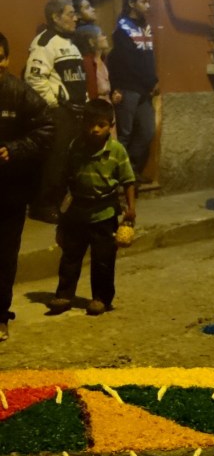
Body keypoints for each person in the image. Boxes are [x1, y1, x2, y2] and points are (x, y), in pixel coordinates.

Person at [47, 99, 136, 317]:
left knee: (103, 260)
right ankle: (64, 294)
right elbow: (67, 176)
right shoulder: (76, 146)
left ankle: (101, 298)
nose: (94, 129)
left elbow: (128, 180)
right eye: (89, 124)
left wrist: (131, 209)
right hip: (77, 211)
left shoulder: (116, 151)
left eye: (100, 125)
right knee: (70, 256)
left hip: (104, 213)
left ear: (111, 126)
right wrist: (62, 210)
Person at [0, 31, 52, 341]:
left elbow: (47, 128)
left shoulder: (20, 94)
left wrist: (14, 149)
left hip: (9, 192)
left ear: (5, 59)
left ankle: (0, 316)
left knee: (4, 257)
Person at [24, 0, 86, 223]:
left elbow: (76, 79)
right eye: (70, 13)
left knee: (69, 160)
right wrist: (54, 106)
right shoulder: (45, 43)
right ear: (55, 17)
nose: (75, 18)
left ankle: (59, 202)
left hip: (76, 112)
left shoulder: (70, 42)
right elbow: (34, 78)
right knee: (55, 159)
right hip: (60, 113)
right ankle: (43, 205)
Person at [108, 0, 157, 178]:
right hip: (129, 88)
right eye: (144, 2)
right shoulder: (123, 29)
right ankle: (118, 175)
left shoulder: (145, 26)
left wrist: (153, 80)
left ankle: (130, 168)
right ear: (131, 3)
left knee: (147, 130)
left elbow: (148, 56)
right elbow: (126, 62)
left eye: (149, 1)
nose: (148, 6)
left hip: (145, 89)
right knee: (124, 134)